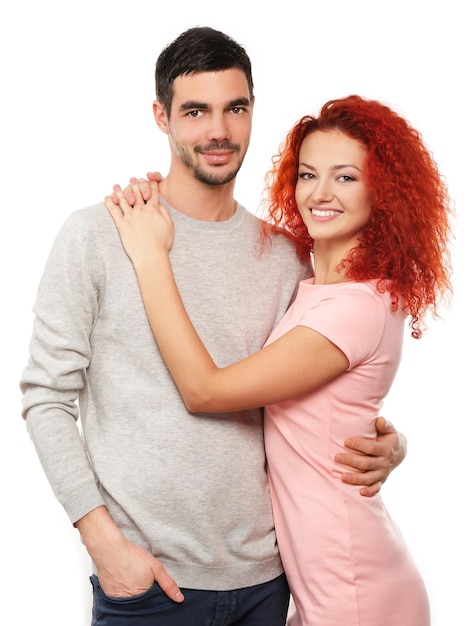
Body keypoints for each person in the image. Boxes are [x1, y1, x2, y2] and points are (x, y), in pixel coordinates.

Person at [20, 27, 405, 626]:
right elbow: (45, 396)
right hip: (150, 583)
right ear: (161, 115)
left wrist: (388, 441)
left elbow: (310, 383)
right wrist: (102, 543)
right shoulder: (98, 235)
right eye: (195, 111)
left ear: (253, 111)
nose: (218, 131)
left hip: (268, 582)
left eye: (235, 108)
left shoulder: (287, 257)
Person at [105, 94, 452, 626]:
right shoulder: (318, 285)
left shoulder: (355, 306)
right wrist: (393, 443)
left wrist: (151, 256)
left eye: (345, 178)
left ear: (382, 192)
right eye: (309, 174)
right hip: (316, 588)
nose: (320, 193)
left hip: (354, 590)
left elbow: (207, 391)